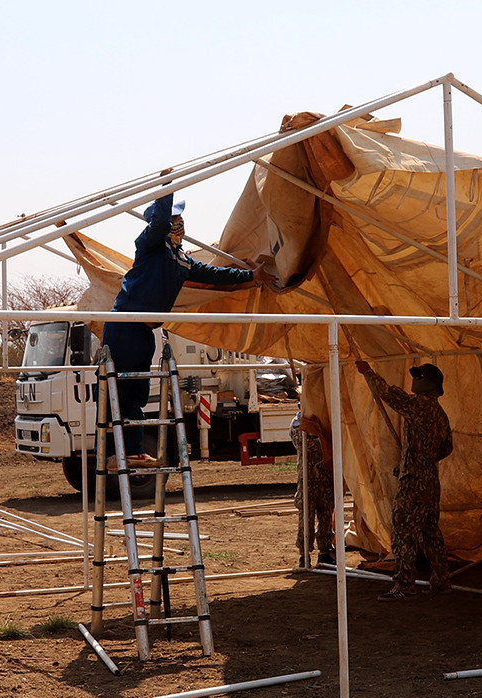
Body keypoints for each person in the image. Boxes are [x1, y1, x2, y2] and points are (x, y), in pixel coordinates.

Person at [105, 194, 279, 464]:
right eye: (175, 219)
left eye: (180, 219)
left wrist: (250, 276)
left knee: (138, 391)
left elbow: (213, 275)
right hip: (125, 325)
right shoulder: (149, 245)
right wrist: (167, 189)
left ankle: (131, 449)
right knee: (121, 388)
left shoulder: (180, 259)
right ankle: (113, 452)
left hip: (143, 330)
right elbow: (160, 224)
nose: (180, 224)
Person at [356, 360, 454, 598]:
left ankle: (404, 584)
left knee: (403, 530)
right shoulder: (439, 413)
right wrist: (422, 459)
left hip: (414, 481)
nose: (414, 380)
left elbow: (388, 395)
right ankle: (441, 580)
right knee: (430, 530)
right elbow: (446, 447)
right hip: (429, 479)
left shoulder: (419, 406)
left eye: (419, 377)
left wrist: (369, 373)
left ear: (430, 385)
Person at [290, 401, 336, 567]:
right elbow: (305, 446)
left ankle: (324, 552)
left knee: (325, 516)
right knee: (306, 519)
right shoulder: (298, 423)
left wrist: (322, 436)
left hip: (325, 478)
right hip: (308, 480)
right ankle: (304, 554)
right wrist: (323, 439)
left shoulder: (325, 423)